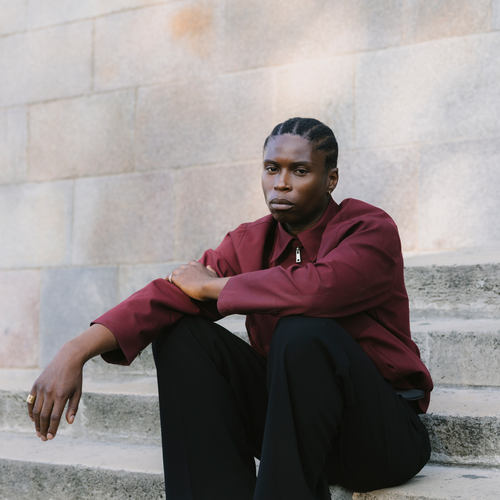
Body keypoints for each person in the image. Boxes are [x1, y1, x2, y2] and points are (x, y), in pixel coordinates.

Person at [27, 118, 432, 500]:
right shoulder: (251, 240)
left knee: (302, 330)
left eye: (300, 171)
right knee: (182, 334)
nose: (281, 183)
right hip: (294, 433)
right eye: (271, 169)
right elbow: (169, 296)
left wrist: (213, 286)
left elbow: (317, 290)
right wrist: (75, 350)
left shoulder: (369, 229)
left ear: (331, 179)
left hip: (377, 438)